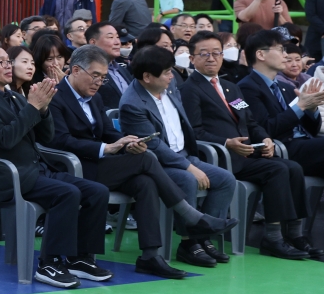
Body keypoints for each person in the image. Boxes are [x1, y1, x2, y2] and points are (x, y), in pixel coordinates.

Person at [49, 44, 225, 278]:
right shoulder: (54, 97)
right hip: (73, 167)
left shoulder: (94, 97)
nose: (98, 82)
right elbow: (60, 141)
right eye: (95, 76)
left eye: (103, 77)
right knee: (147, 159)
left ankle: (150, 256)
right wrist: (106, 147)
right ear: (74, 70)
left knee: (145, 182)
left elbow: (106, 131)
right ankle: (191, 216)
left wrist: (125, 141)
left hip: (100, 165)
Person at [0, 42, 112, 289]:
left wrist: (43, 108)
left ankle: (79, 259)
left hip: (35, 171)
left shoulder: (12, 96)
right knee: (67, 194)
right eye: (1, 62)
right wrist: (32, 106)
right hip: (8, 178)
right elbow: (4, 139)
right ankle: (49, 263)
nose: (8, 66)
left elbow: (45, 136)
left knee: (97, 191)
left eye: (8, 61)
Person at [179, 30, 315, 259]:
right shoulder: (190, 89)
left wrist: (265, 138)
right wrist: (226, 142)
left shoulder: (230, 87)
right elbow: (194, 131)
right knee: (278, 169)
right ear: (192, 58)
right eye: (204, 54)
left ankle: (296, 234)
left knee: (293, 167)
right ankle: (273, 238)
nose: (211, 58)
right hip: (219, 157)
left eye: (216, 53)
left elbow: (250, 120)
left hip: (245, 154)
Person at [119, 43, 240, 268]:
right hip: (158, 163)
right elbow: (154, 145)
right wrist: (188, 167)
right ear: (147, 76)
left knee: (225, 179)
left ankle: (203, 237)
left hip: (184, 154)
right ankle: (188, 243)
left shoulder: (170, 86)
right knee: (187, 179)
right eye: (166, 73)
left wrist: (190, 161)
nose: (171, 77)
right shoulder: (132, 104)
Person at [239, 28, 324, 177]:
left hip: (307, 145)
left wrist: (311, 108)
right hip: (282, 148)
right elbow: (266, 128)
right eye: (280, 50)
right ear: (261, 54)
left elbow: (311, 129)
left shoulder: (285, 87)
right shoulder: (247, 87)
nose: (285, 55)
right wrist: (301, 105)